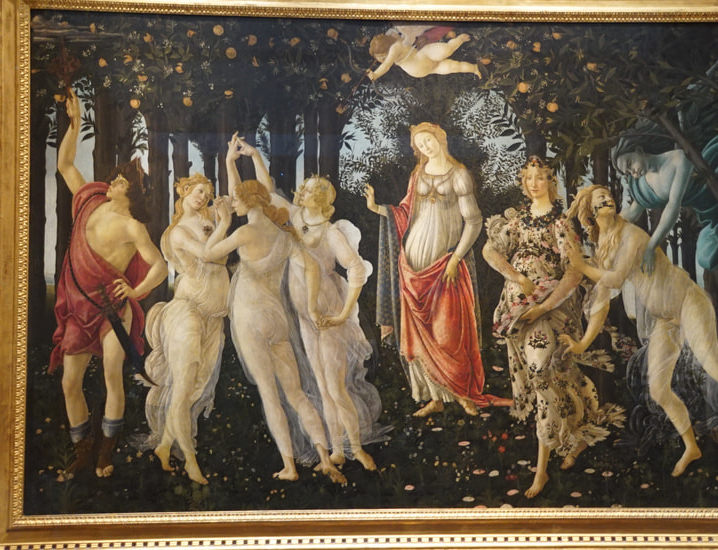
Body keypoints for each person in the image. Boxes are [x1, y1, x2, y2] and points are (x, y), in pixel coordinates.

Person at [561, 185, 718, 477]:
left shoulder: (631, 234)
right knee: (658, 389)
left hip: (687, 302)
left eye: (609, 195)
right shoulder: (605, 246)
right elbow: (602, 299)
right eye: (601, 198)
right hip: (664, 317)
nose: (608, 198)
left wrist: (580, 266)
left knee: (715, 368)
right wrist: (583, 343)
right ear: (591, 211)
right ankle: (691, 446)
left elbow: (615, 279)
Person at [227, 136, 389, 471]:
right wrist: (252, 156)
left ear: (324, 198)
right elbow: (265, 191)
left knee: (336, 387)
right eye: (305, 187)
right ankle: (337, 450)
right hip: (304, 315)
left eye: (311, 189)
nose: (303, 190)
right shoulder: (295, 218)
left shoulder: (330, 233)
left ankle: (357, 448)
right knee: (322, 387)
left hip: (328, 315)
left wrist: (343, 314)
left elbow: (356, 270)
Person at [482, 157, 625, 499]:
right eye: (528, 178)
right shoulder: (516, 221)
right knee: (553, 378)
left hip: (550, 308)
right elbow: (489, 251)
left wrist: (543, 306)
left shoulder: (560, 224)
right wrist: (517, 277)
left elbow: (574, 272)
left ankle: (542, 469)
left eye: (540, 178)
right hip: (516, 310)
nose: (534, 183)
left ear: (550, 182)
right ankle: (575, 437)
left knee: (542, 373)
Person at [50, 89, 168, 481]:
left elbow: (160, 266)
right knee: (70, 383)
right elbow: (65, 164)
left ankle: (105, 451)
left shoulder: (133, 227)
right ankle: (82, 451)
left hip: (110, 311)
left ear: (131, 192)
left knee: (111, 376)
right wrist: (75, 123)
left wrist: (135, 291)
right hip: (78, 309)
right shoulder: (90, 201)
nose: (112, 181)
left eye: (119, 180)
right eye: (115, 178)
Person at [202, 174, 346, 485]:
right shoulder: (284, 236)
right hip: (277, 320)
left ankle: (290, 468)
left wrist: (223, 223)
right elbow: (311, 266)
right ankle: (324, 459)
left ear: (249, 201)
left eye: (236, 200)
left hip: (250, 318)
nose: (233, 204)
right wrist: (312, 306)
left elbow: (208, 254)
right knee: (296, 394)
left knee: (271, 395)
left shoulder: (245, 232)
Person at [365, 122, 508, 417]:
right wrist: (378, 208)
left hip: (444, 266)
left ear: (440, 138)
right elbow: (406, 213)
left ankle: (462, 393)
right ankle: (435, 397)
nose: (425, 147)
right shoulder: (417, 174)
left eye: (428, 140)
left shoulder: (459, 175)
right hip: (411, 267)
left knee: (449, 334)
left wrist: (455, 259)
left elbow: (473, 222)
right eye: (420, 144)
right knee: (418, 336)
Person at [139, 174, 229, 485]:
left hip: (213, 316)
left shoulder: (210, 219)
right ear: (184, 191)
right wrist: (225, 224)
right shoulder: (178, 231)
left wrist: (230, 162)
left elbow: (231, 200)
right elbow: (208, 254)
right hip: (188, 312)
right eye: (198, 191)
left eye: (208, 193)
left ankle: (164, 446)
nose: (203, 197)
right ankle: (190, 461)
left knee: (194, 389)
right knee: (182, 387)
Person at [611, 133, 718, 273]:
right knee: (707, 256)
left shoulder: (677, 160)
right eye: (628, 172)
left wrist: (651, 247)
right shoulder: (642, 184)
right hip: (711, 215)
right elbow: (632, 212)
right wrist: (608, 227)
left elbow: (673, 207)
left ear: (639, 150)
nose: (633, 172)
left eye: (630, 163)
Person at [366, 25, 481, 81]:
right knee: (453, 67)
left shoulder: (395, 47)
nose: (381, 59)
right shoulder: (395, 49)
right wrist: (375, 74)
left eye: (380, 56)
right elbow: (386, 64)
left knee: (447, 51)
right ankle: (474, 68)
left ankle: (461, 39)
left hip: (423, 57)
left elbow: (386, 65)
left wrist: (376, 74)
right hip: (426, 67)